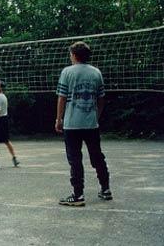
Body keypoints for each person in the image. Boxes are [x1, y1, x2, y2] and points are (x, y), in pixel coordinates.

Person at [55, 41, 112, 207]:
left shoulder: (67, 72)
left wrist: (59, 119)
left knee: (75, 159)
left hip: (72, 124)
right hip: (91, 124)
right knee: (97, 157)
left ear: (74, 55)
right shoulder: (96, 72)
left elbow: (62, 98)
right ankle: (106, 189)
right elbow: (101, 99)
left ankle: (78, 195)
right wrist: (96, 116)